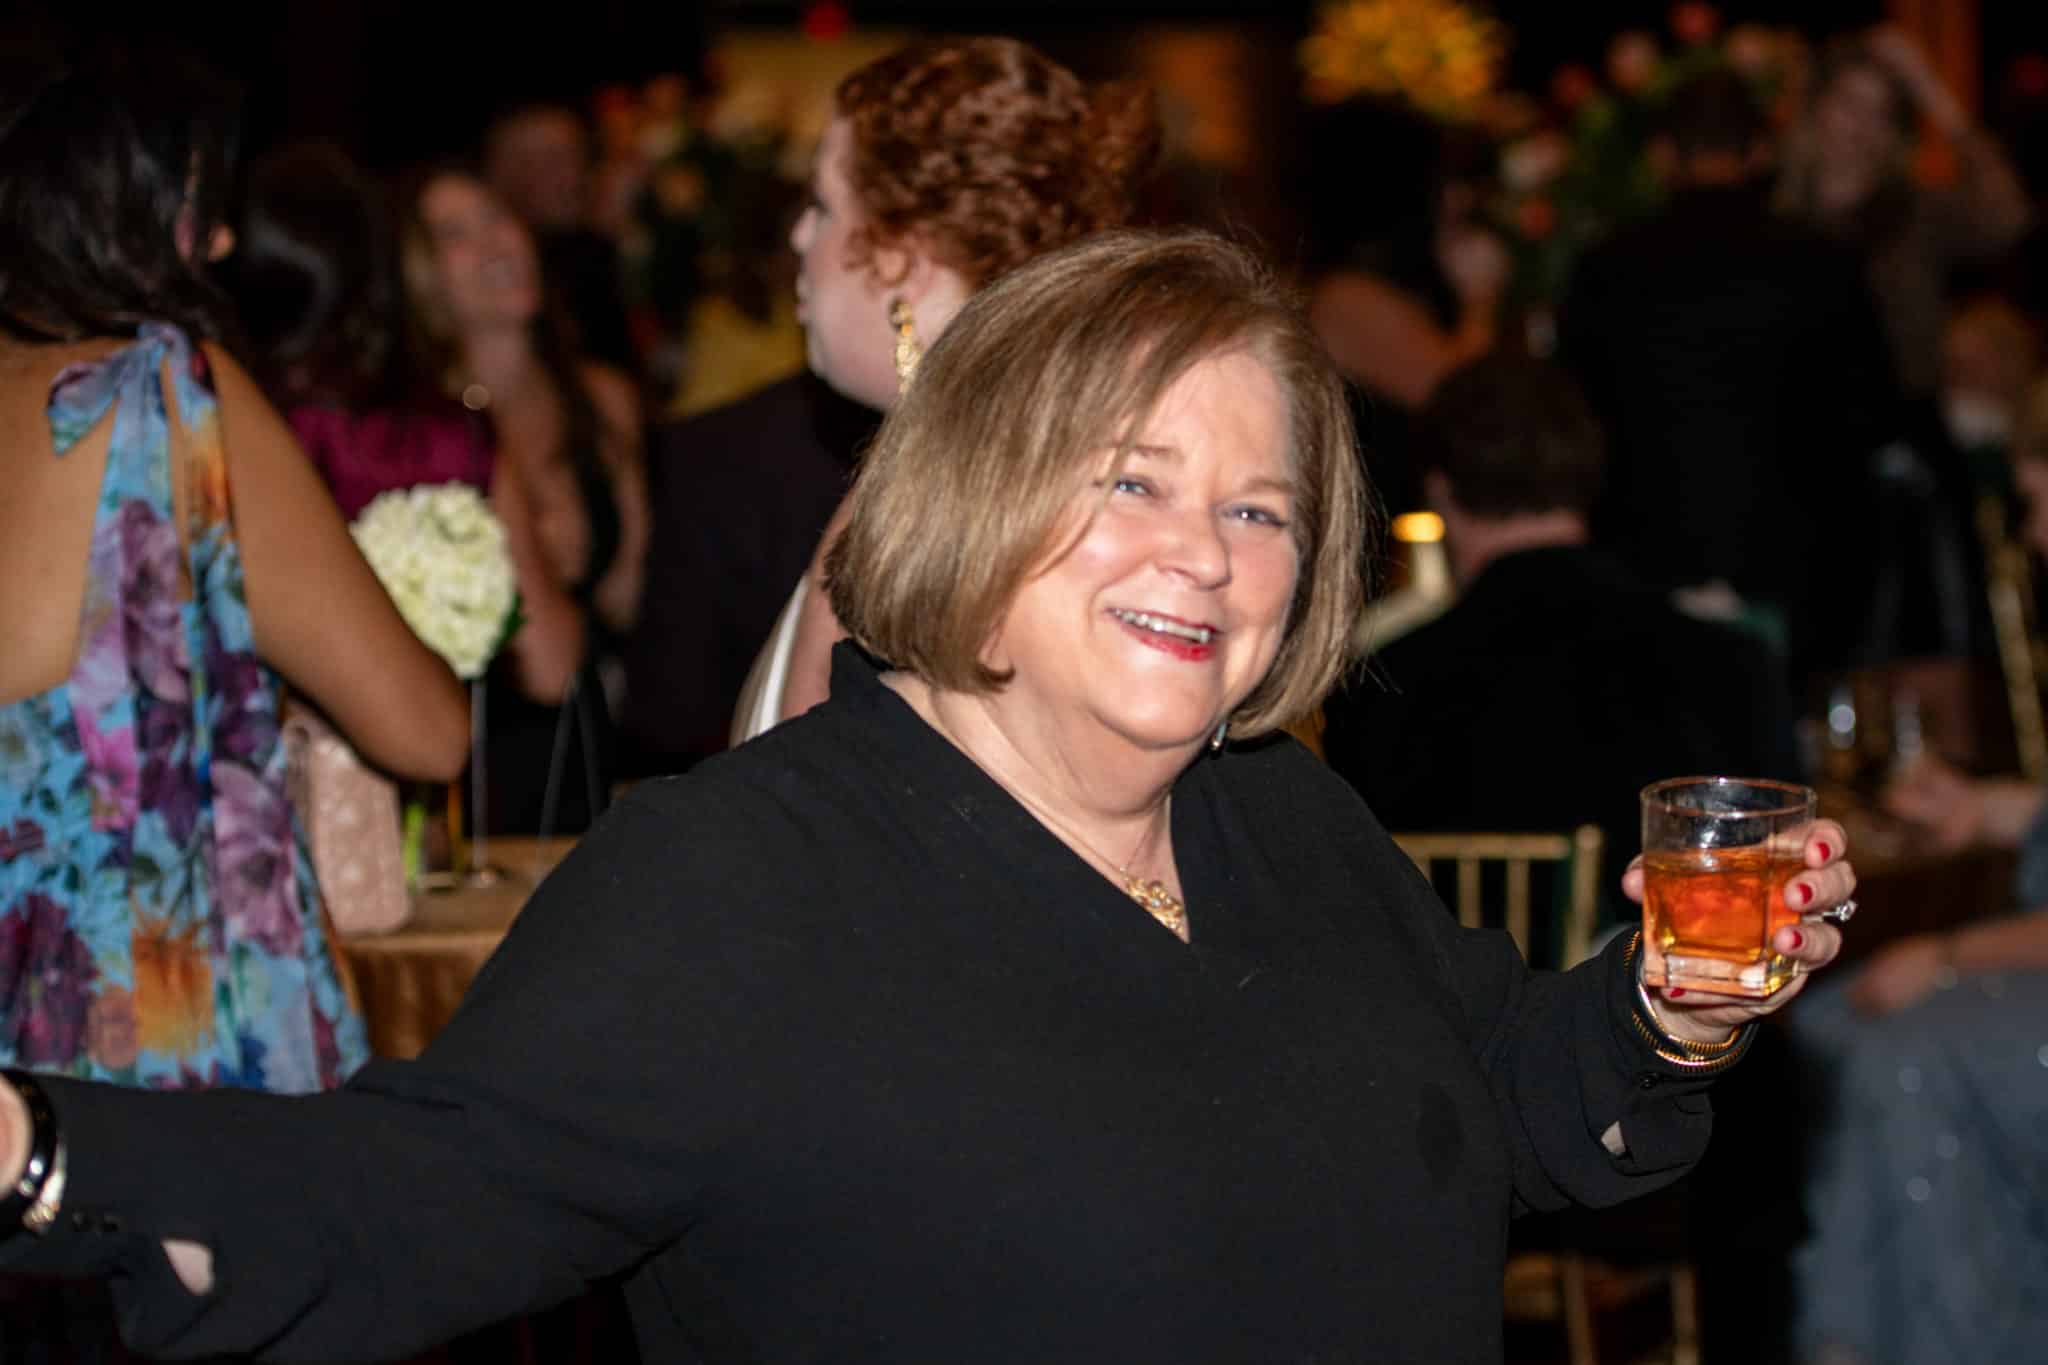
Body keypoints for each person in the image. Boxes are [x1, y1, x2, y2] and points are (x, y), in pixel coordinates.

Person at [0, 229, 1853, 1364]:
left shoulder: (1283, 822)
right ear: (979, 486)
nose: (1204, 552)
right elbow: (412, 1193)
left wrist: (1666, 1008)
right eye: (1132, 481)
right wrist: (33, 1149)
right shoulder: (741, 879)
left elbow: (1506, 1100)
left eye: (1259, 508)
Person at [621, 34, 1161, 769]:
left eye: (823, 206)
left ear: (905, 255)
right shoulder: (1000, 465)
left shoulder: (939, 499)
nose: (799, 237)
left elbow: (810, 800)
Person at [1321, 354, 1799, 930]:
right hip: (1674, 976)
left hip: (1446, 986)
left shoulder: (1381, 685)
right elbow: (1775, 884)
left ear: (1440, 490)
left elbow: (1349, 898)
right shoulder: (1729, 662)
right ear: (1592, 478)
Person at [1560, 68, 1898, 683]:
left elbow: (1575, 424)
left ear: (1663, 154)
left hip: (1644, 571)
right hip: (1800, 580)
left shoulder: (1604, 270)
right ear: (1761, 151)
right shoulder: (1822, 263)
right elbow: (1873, 416)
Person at [394, 166, 650, 832]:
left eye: (497, 217)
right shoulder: (418, 435)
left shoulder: (601, 401)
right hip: (474, 760)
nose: (494, 243)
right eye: (455, 234)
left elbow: (630, 598)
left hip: (585, 740)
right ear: (420, 274)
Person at [1776, 25, 2033, 404]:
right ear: (1818, 107)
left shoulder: (1913, 214)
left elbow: (2007, 218)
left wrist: (1930, 90)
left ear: (1893, 133)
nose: (1861, 125)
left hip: (1903, 417)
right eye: (1849, 102)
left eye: (1879, 113)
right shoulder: (1778, 214)